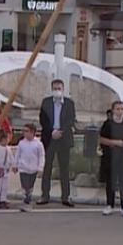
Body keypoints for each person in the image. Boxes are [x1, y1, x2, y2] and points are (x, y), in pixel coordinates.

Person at [37, 79, 76, 207]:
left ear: (63, 89)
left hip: (64, 139)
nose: (57, 91)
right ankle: (44, 195)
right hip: (49, 138)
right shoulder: (46, 102)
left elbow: (71, 120)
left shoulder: (69, 103)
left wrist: (61, 131)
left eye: (59, 88)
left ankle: (66, 196)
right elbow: (43, 119)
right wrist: (52, 131)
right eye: (55, 88)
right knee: (47, 167)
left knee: (64, 168)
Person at [99, 101, 123, 217]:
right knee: (111, 181)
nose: (120, 111)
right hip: (110, 156)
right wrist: (115, 142)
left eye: (122, 109)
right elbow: (101, 139)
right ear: (113, 110)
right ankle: (110, 205)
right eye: (118, 109)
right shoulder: (108, 124)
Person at [13, 123, 44, 213]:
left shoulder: (38, 144)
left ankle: (28, 202)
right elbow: (17, 155)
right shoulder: (21, 143)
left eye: (27, 131)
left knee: (30, 188)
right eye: (24, 131)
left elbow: (41, 156)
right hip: (23, 169)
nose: (25, 133)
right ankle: (25, 203)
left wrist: (40, 168)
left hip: (33, 169)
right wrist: (15, 165)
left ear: (32, 132)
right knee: (25, 187)